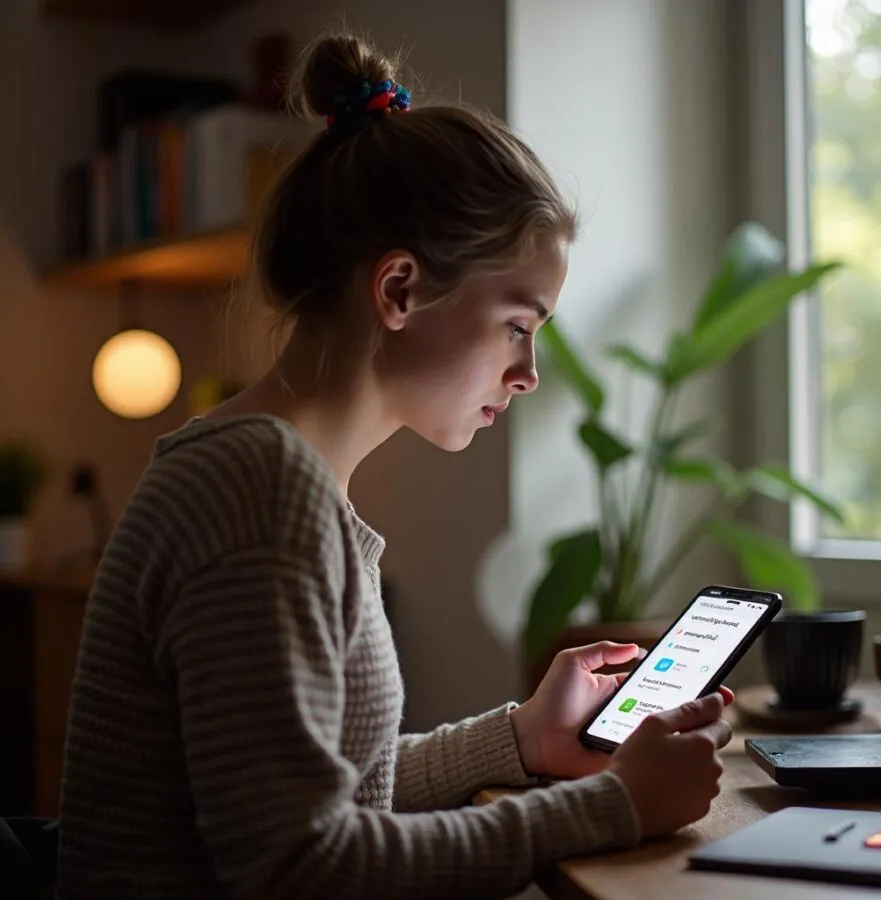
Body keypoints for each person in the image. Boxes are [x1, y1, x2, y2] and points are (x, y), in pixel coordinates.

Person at [57, 32, 733, 900]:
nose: (527, 374)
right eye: (519, 326)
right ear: (401, 290)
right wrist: (611, 805)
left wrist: (522, 739)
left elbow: (329, 790)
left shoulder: (273, 472)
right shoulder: (259, 491)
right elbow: (302, 868)